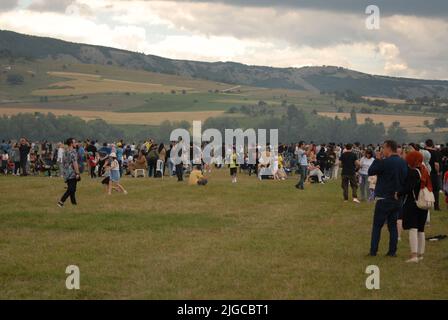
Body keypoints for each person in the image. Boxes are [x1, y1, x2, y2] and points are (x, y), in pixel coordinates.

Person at [368, 140, 408, 257]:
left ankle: (373, 251)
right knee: (392, 226)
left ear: (389, 148)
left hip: (383, 198)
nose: (382, 151)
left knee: (377, 226)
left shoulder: (384, 162)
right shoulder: (402, 162)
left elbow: (371, 172)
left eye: (383, 148)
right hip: (397, 198)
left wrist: (377, 159)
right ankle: (392, 251)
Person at [399, 151, 431, 263]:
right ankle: (421, 254)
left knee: (413, 228)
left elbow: (408, 188)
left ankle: (414, 255)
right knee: (421, 229)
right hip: (424, 203)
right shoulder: (425, 170)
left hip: (414, 203)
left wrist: (398, 193)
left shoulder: (413, 172)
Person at [58, 138, 80, 208]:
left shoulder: (65, 151)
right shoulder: (73, 152)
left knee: (72, 188)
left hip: (66, 172)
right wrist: (77, 173)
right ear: (71, 144)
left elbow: (63, 163)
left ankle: (74, 204)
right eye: (74, 142)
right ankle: (61, 202)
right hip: (72, 172)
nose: (76, 143)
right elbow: (75, 163)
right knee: (71, 189)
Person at [425, 140, 441, 211]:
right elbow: (436, 164)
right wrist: (438, 172)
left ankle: (426, 204)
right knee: (435, 190)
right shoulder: (434, 152)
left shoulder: (424, 152)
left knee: (425, 189)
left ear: (426, 144)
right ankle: (436, 206)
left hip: (425, 172)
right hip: (433, 173)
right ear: (432, 144)